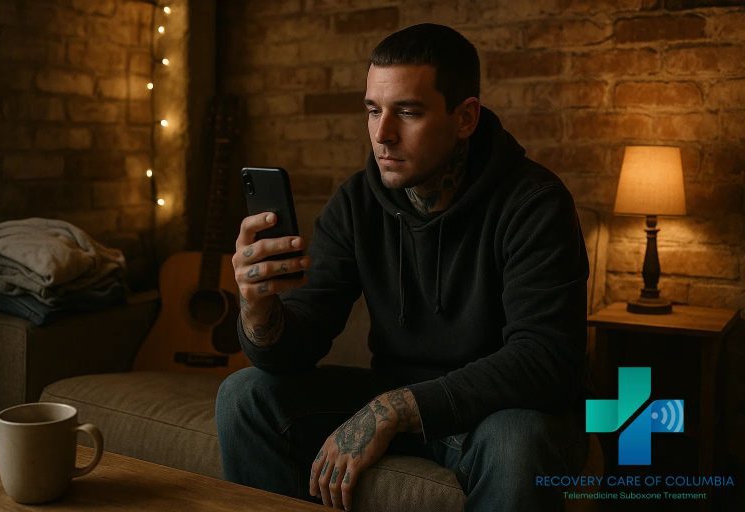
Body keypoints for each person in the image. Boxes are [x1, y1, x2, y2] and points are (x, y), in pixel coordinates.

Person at [216, 23, 589, 512]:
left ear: (466, 118)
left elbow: (545, 358)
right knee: (245, 395)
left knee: (518, 437)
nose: (382, 134)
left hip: (497, 413)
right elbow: (298, 342)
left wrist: (395, 408)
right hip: (390, 393)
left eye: (408, 112)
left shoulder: (533, 203)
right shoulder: (356, 202)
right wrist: (257, 308)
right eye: (373, 111)